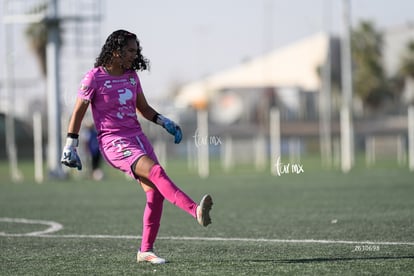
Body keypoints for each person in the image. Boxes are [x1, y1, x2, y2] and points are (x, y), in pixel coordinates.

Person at [61, 29, 213, 264]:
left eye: (136, 50)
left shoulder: (132, 76)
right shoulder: (94, 78)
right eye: (130, 50)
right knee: (157, 172)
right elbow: (78, 112)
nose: (134, 55)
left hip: (138, 138)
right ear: (115, 50)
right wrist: (70, 145)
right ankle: (196, 211)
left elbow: (144, 108)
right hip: (114, 142)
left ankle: (145, 251)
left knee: (155, 195)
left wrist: (165, 122)